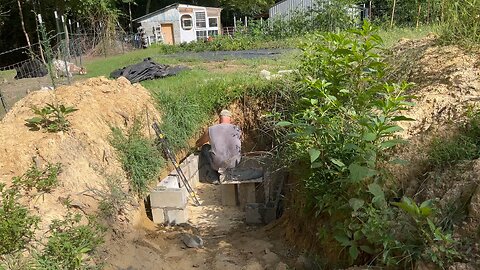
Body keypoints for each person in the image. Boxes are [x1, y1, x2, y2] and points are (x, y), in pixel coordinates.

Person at [195, 109, 241, 182]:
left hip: (218, 164)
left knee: (205, 147)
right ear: (230, 119)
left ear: (219, 119)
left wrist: (196, 145)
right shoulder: (237, 129)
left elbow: (199, 143)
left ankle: (213, 176)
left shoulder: (211, 129)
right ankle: (230, 171)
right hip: (234, 163)